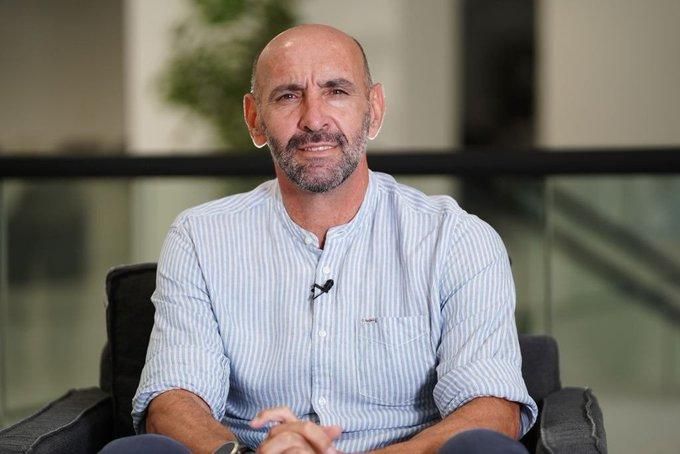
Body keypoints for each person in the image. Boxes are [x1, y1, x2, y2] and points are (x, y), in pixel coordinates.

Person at [103, 24, 537, 454]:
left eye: (337, 91)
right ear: (255, 119)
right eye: (288, 96)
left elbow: (494, 408)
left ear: (374, 110)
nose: (313, 119)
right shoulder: (199, 238)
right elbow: (173, 401)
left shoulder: (456, 239)